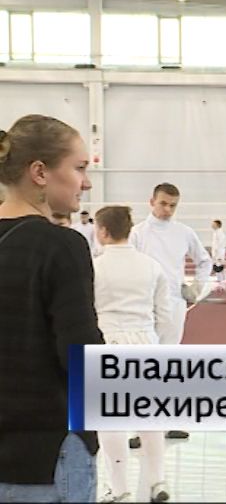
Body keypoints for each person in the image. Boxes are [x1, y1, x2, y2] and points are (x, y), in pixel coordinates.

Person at [0, 114, 104, 503]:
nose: (86, 182)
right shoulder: (62, 247)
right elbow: (81, 358)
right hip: (47, 457)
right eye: (79, 168)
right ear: (40, 172)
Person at [92, 206, 173, 504]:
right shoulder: (151, 265)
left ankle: (120, 489)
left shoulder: (94, 267)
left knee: (110, 420)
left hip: (108, 342)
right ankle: (157, 481)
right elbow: (165, 315)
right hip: (145, 342)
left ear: (103, 231)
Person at [129, 182, 213, 441]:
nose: (167, 209)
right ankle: (143, 429)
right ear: (151, 202)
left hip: (175, 303)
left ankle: (167, 423)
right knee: (145, 365)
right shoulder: (137, 233)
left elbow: (204, 260)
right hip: (144, 305)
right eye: (163, 203)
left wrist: (197, 286)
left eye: (173, 205)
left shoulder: (184, 232)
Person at [210, 219, 226, 287]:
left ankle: (221, 280)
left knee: (218, 266)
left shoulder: (220, 233)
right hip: (216, 252)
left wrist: (217, 254)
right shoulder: (216, 232)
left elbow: (220, 244)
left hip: (219, 252)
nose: (212, 225)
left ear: (217, 225)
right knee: (218, 266)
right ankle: (222, 279)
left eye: (213, 224)